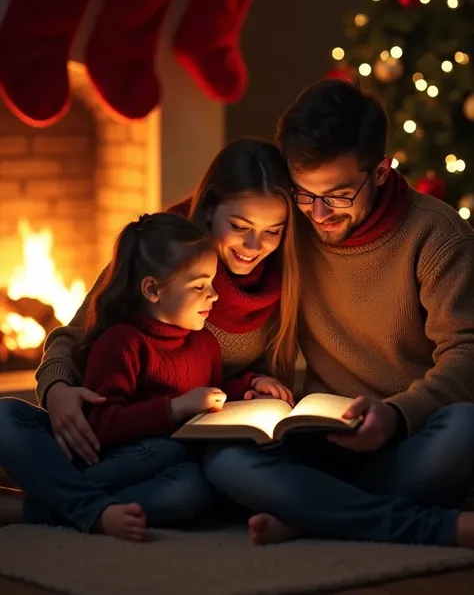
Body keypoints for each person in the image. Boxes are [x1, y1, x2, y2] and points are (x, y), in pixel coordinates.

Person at [203, 79, 474, 546]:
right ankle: (423, 525)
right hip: (322, 437)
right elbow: (174, 233)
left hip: (411, 431)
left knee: (467, 428)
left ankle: (312, 510)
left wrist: (396, 413)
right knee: (224, 461)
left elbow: (468, 354)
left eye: (339, 195)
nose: (319, 213)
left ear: (382, 171)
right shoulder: (288, 220)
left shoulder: (436, 235)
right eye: (303, 194)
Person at [0, 139, 297, 530]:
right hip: (115, 439)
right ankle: (82, 505)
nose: (255, 246)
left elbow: (217, 382)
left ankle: (43, 506)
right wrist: (56, 390)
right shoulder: (160, 252)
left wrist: (254, 384)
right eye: (240, 227)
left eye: (272, 231)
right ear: (208, 210)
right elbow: (74, 337)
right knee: (6, 415)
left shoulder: (285, 275)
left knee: (188, 489)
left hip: (180, 445)